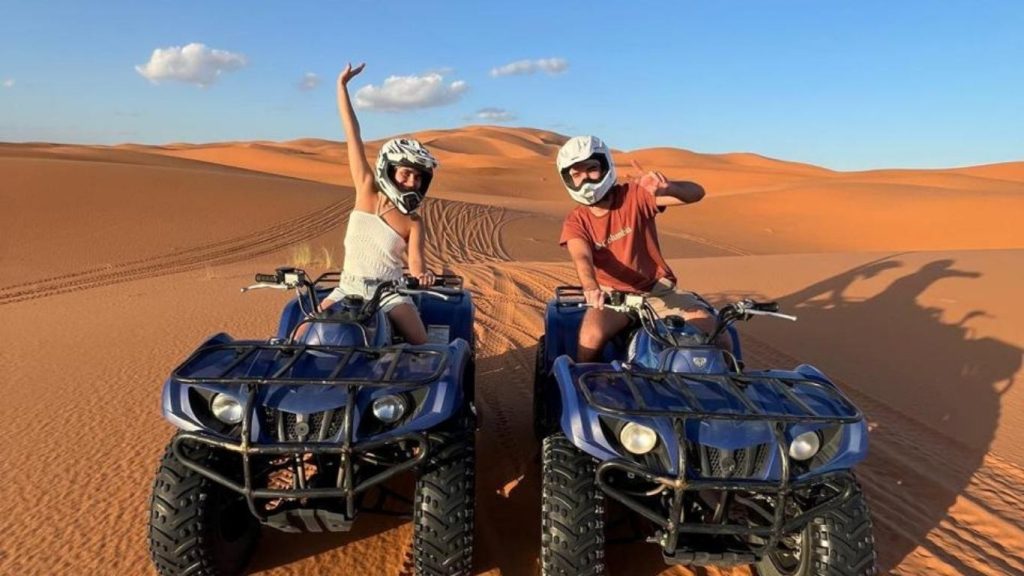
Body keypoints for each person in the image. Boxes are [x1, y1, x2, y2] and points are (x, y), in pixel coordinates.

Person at [557, 135, 731, 362]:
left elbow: (696, 193)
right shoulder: (576, 221)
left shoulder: (634, 196)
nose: (585, 180)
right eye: (576, 175)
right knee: (591, 337)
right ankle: (584, 380)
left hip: (658, 291)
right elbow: (582, 257)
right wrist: (591, 286)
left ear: (605, 166)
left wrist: (670, 187)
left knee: (719, 334)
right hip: (613, 298)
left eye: (592, 169)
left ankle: (732, 379)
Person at [318, 62, 437, 344]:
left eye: (418, 177)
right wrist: (341, 87)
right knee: (301, 335)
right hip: (347, 290)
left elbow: (416, 264)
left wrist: (423, 275)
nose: (412, 182)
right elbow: (353, 136)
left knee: (422, 344)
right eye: (406, 173)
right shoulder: (365, 190)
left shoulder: (413, 221)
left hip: (388, 295)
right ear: (390, 170)